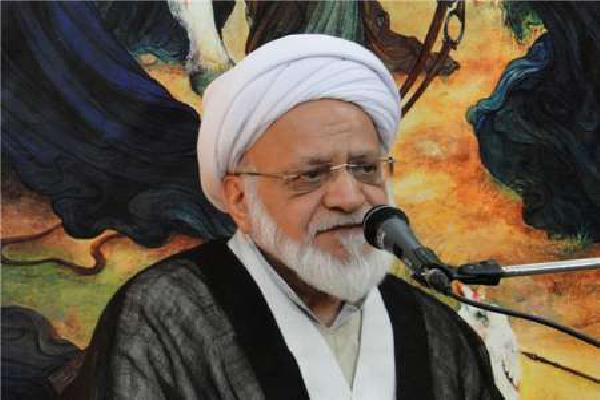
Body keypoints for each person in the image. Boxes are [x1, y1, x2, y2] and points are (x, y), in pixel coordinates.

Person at [62, 34, 503, 400]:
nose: (349, 198)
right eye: (311, 175)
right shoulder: (165, 315)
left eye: (366, 168)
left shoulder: (432, 328)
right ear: (239, 200)